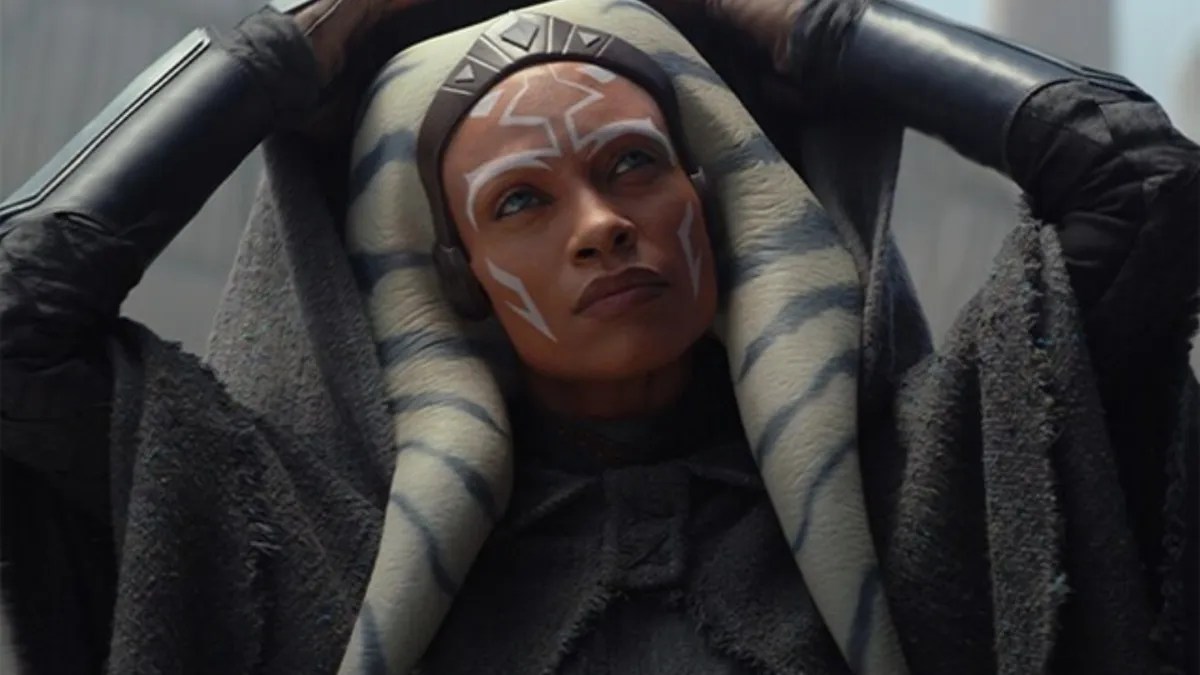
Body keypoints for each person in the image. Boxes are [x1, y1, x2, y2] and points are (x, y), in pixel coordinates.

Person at [0, 1, 1195, 674]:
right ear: (454, 276)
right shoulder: (305, 556)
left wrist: (810, 25)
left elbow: (1140, 184)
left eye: (632, 166)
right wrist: (284, 49)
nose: (603, 227)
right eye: (522, 201)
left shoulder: (924, 500)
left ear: (714, 203)